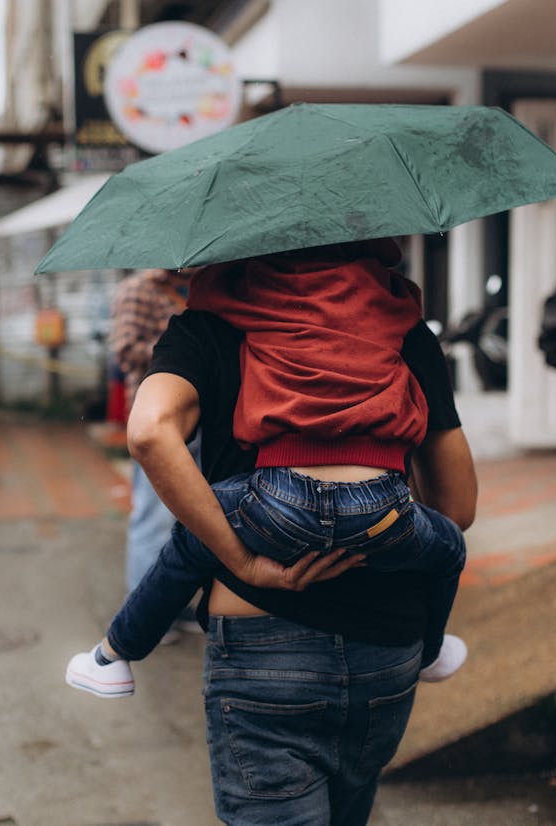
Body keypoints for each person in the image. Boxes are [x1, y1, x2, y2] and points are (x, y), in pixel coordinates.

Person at [67, 242, 469, 704]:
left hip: (276, 505)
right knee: (449, 546)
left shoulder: (227, 307)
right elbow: (458, 508)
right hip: (382, 521)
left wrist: (242, 562)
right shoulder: (395, 313)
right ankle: (433, 653)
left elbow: (149, 432)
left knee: (192, 535)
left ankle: (115, 654)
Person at [108, 268, 194, 597]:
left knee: (189, 518)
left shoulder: (201, 285)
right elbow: (125, 349)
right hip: (157, 417)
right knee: (153, 515)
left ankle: (174, 602)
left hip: (200, 416)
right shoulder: (138, 290)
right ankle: (146, 605)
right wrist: (184, 350)